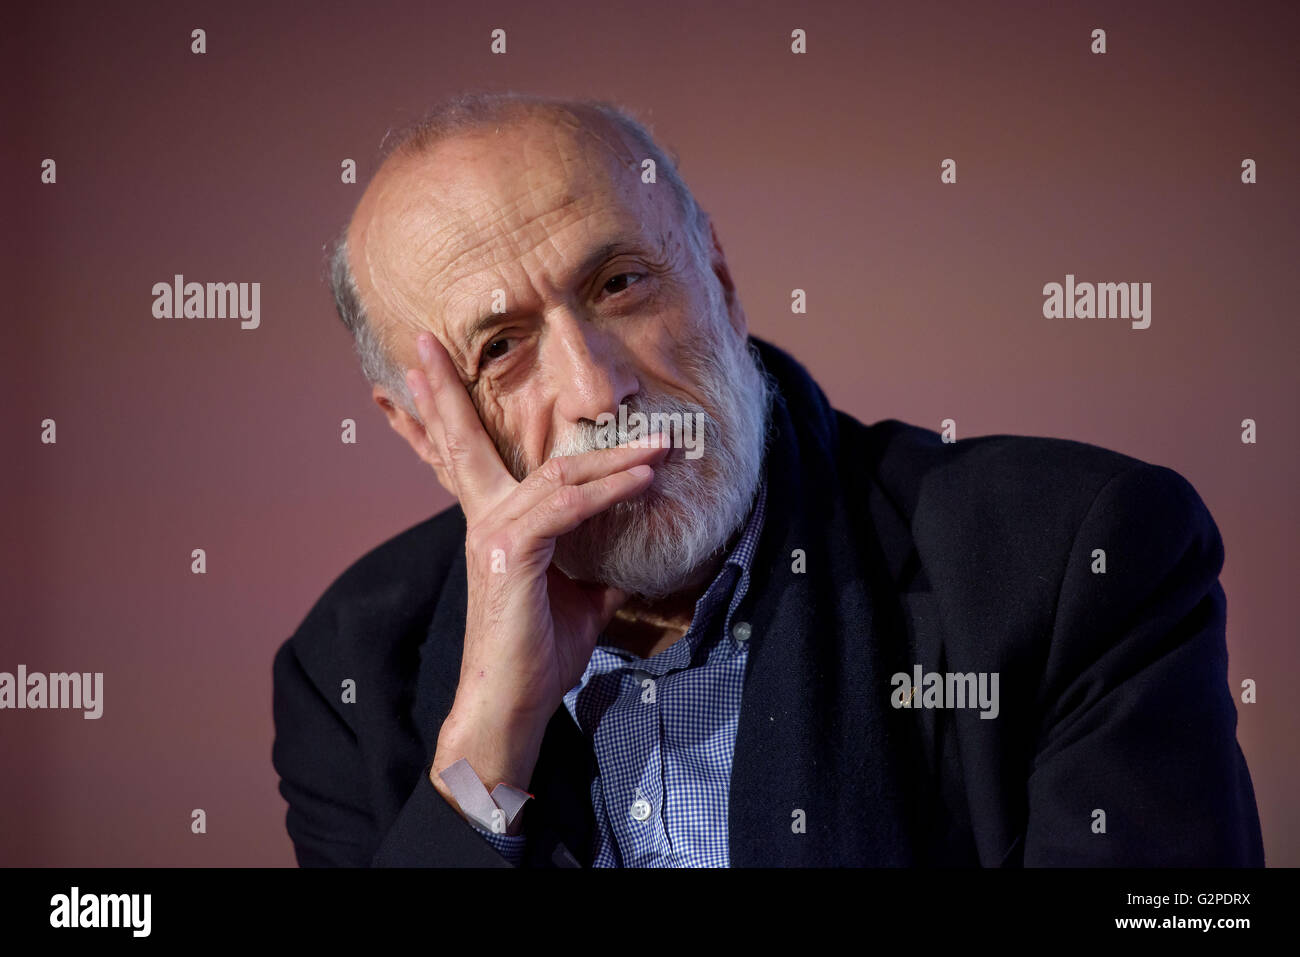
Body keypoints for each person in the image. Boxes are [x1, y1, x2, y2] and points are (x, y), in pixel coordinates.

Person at [271, 92, 1264, 867]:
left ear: (721, 278)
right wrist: (488, 748)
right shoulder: (349, 670)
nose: (595, 389)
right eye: (500, 348)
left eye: (620, 283)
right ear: (421, 433)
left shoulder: (1073, 554)